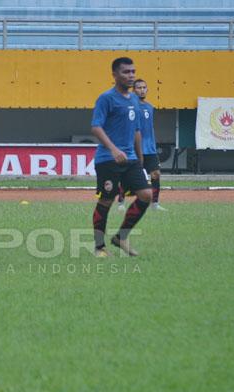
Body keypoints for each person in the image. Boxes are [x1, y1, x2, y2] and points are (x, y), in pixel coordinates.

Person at [90, 57, 153, 257]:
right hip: (108, 159)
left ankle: (121, 237)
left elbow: (136, 130)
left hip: (131, 158)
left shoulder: (135, 99)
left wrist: (140, 157)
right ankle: (99, 247)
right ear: (115, 75)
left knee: (146, 195)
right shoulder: (106, 98)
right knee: (106, 200)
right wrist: (113, 150)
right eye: (126, 72)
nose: (131, 75)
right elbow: (96, 127)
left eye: (133, 71)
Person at [116, 79, 167, 212]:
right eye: (139, 87)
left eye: (144, 87)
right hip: (133, 148)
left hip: (149, 149)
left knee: (156, 174)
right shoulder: (129, 106)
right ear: (133, 90)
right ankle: (121, 202)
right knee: (127, 176)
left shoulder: (150, 107)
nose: (142, 90)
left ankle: (155, 204)